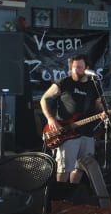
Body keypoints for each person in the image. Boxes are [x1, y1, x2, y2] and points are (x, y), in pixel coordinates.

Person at [40, 54, 104, 183]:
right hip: (66, 131)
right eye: (74, 67)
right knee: (64, 168)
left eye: (79, 67)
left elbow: (99, 106)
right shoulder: (64, 82)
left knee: (80, 168)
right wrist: (50, 119)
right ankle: (61, 194)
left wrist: (103, 113)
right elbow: (44, 99)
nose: (75, 70)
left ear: (87, 68)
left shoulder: (94, 86)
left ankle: (72, 193)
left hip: (87, 132)